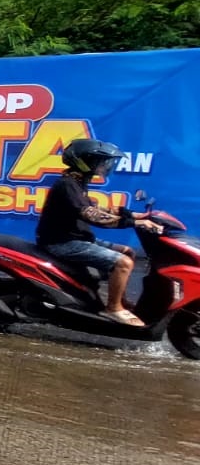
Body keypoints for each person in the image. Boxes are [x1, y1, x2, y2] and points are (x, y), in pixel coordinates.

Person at [36, 137, 159, 325]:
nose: (104, 166)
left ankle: (119, 300)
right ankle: (113, 309)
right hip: (61, 242)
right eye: (100, 162)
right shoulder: (67, 185)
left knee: (128, 251)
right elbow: (92, 215)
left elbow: (98, 208)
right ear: (84, 162)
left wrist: (136, 215)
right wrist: (135, 223)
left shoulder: (77, 183)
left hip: (77, 238)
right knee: (123, 263)